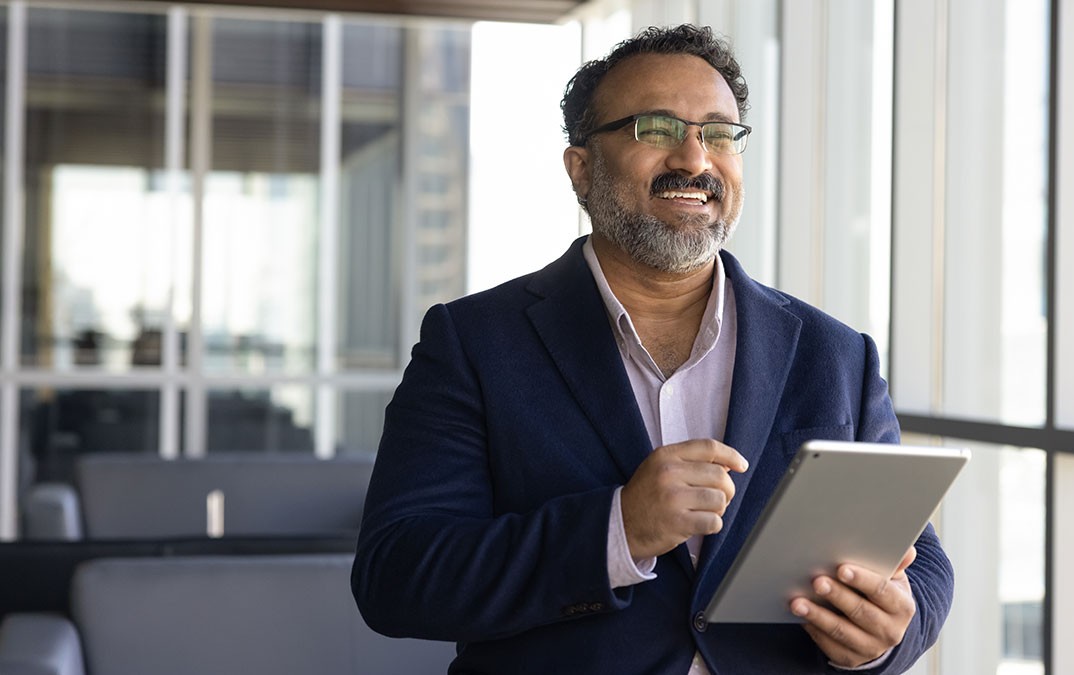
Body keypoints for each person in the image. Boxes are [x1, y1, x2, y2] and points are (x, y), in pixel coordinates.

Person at [352, 24, 953, 674]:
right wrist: (617, 530)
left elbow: (919, 558)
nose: (695, 160)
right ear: (581, 168)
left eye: (719, 134)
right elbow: (397, 574)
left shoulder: (836, 353)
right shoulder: (473, 342)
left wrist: (889, 633)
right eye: (657, 129)